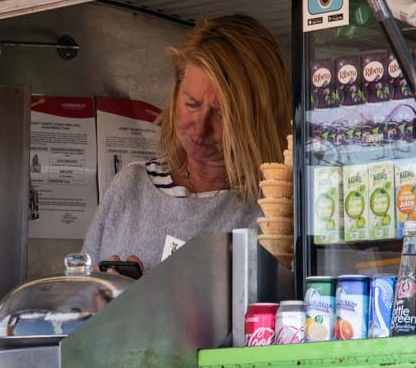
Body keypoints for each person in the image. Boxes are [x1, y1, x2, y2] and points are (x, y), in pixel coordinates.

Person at [83, 14, 291, 269]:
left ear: (258, 120)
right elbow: (76, 297)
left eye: (222, 115)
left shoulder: (274, 211)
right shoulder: (130, 187)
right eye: (192, 104)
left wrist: (138, 304)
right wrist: (106, 299)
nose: (199, 129)